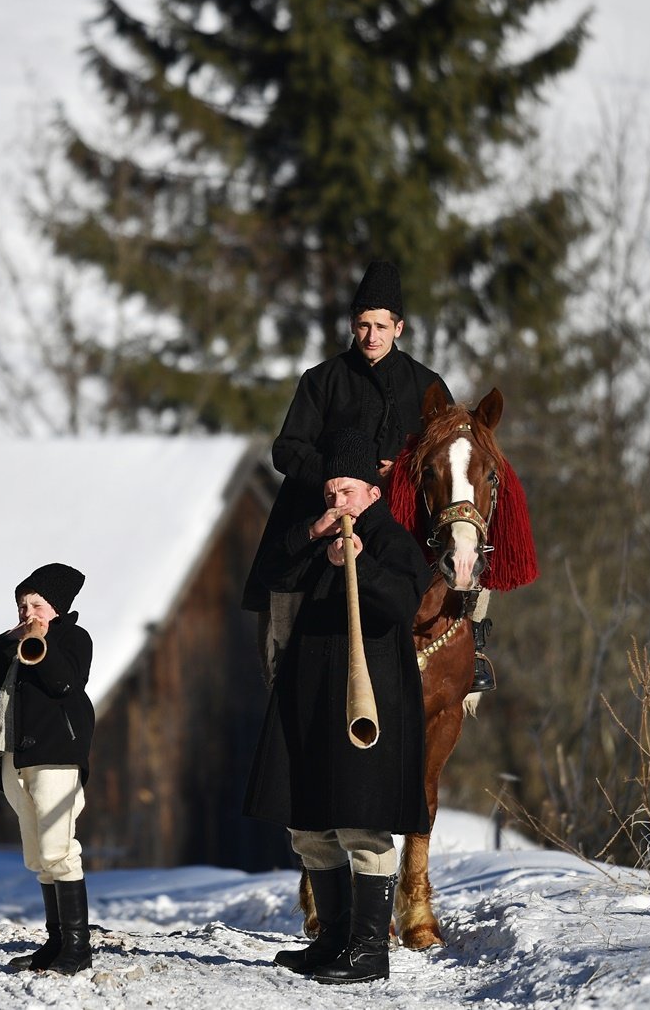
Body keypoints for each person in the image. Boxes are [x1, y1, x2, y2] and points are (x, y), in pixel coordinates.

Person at [244, 428, 433, 985]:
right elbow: (270, 580)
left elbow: (401, 603)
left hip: (367, 700)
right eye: (330, 493)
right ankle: (332, 938)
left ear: (372, 494)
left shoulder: (394, 542)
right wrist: (310, 535)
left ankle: (370, 950)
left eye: (347, 492)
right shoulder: (312, 537)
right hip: (308, 697)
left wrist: (360, 565)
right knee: (309, 824)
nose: (337, 503)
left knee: (360, 822)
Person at [241, 262, 454, 684]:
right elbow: (285, 450)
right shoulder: (321, 380)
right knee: (286, 577)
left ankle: (472, 648)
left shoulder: (428, 385)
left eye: (380, 326)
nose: (371, 336)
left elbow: (446, 455)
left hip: (396, 521)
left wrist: (405, 467)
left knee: (466, 537)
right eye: (362, 325)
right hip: (324, 511)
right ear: (352, 327)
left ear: (399, 328)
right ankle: (282, 657)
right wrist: (339, 473)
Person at [0, 563, 95, 975]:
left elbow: (63, 683)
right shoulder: (13, 641)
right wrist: (8, 643)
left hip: (56, 756)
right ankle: (56, 942)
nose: (28, 613)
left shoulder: (74, 638)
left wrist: (42, 642)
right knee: (38, 855)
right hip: (14, 758)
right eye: (23, 605)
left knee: (59, 849)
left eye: (37, 604)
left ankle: (78, 947)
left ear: (56, 607)